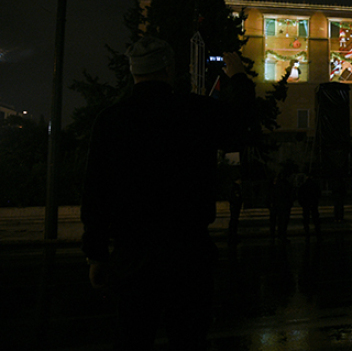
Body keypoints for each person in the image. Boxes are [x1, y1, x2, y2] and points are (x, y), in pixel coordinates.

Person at [80, 36, 255, 350]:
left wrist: (96, 254)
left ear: (133, 72)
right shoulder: (194, 111)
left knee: (135, 336)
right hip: (187, 252)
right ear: (168, 68)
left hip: (133, 254)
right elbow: (240, 124)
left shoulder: (110, 121)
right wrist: (238, 76)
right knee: (188, 337)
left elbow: (95, 192)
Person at [298, 172, 321, 240]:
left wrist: (302, 203)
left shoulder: (303, 186)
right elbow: (318, 194)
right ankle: (317, 233)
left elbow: (300, 195)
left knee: (306, 219)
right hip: (313, 203)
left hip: (306, 204)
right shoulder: (314, 185)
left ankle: (307, 233)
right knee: (315, 219)